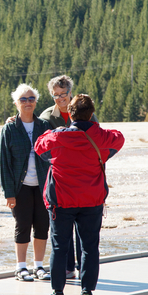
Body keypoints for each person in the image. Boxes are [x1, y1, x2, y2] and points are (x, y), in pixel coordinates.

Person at [34, 94, 124, 295]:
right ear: (92, 114)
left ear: (70, 114)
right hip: (92, 200)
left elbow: (39, 146)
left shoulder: (58, 137)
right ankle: (87, 292)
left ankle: (57, 293)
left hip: (62, 201)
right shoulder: (101, 137)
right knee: (90, 247)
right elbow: (119, 137)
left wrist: (54, 131)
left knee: (59, 247)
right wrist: (98, 130)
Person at [40, 75, 99, 279]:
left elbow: (97, 141)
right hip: (59, 179)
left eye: (63, 94)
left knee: (83, 233)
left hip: (84, 179)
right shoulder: (46, 117)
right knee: (61, 234)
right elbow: (40, 146)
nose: (59, 99)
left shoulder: (86, 114)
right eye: (55, 95)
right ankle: (66, 269)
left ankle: (84, 271)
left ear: (70, 93)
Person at [0, 83, 52, 282]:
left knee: (42, 225)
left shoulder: (45, 127)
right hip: (20, 187)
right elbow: (3, 162)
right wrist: (8, 193)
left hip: (43, 186)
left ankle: (38, 266)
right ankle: (21, 267)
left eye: (31, 99)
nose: (27, 102)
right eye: (23, 99)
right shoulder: (10, 128)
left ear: (36, 102)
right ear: (16, 103)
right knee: (22, 225)